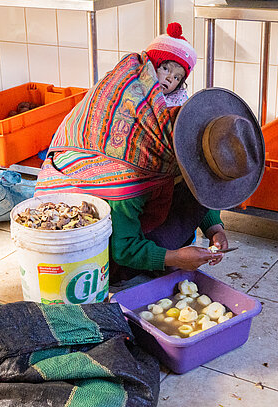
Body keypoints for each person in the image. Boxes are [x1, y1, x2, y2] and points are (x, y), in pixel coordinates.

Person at [35, 23, 265, 290]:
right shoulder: (129, 171)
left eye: (176, 76)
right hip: (89, 228)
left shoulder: (168, 129)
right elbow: (123, 246)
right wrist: (175, 257)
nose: (169, 78)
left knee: (182, 218)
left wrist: (215, 228)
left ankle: (158, 254)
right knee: (155, 247)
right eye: (165, 69)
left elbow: (192, 182)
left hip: (126, 197)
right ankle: (132, 269)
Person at [146, 22, 194, 107]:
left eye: (176, 78)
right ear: (151, 66)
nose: (170, 79)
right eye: (165, 69)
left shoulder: (178, 101)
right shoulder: (136, 90)